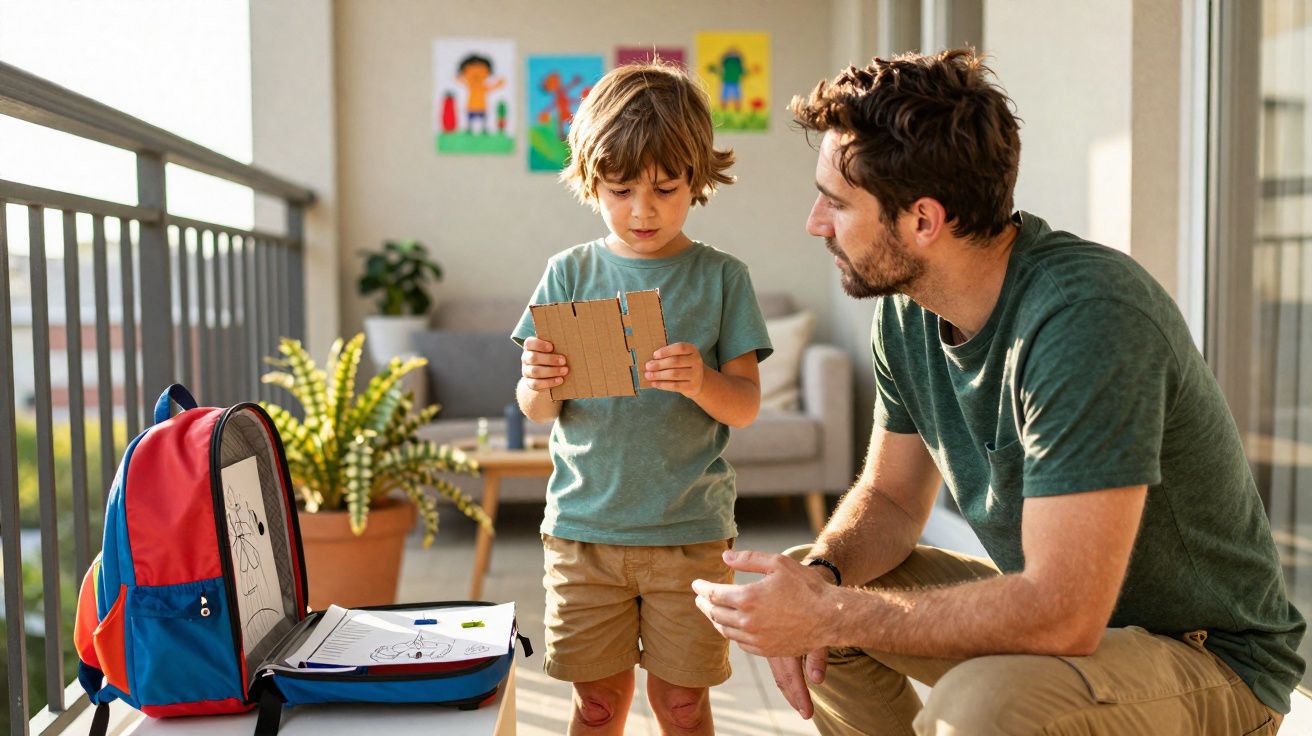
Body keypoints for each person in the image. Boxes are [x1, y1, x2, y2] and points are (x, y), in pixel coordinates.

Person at [691, 49, 1306, 735]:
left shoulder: (1086, 318)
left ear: (923, 220)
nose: (815, 222)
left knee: (986, 705)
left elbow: (1063, 613)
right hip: (1084, 630)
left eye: (835, 202)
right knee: (827, 593)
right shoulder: (907, 308)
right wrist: (825, 579)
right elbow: (892, 500)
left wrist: (825, 610)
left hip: (1208, 660)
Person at [512, 60, 772, 735]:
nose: (643, 209)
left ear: (697, 179)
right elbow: (537, 409)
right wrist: (537, 384)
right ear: (591, 180)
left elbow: (744, 406)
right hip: (584, 534)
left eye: (665, 187)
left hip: (688, 534)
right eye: (621, 189)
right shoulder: (568, 273)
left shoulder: (722, 279)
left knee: (682, 705)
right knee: (597, 705)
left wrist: (703, 381)